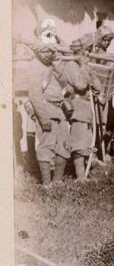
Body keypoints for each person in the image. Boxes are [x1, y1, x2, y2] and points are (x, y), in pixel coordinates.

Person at [25, 42, 69, 185]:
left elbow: (64, 82)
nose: (47, 55)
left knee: (63, 144)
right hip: (45, 110)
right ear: (37, 52)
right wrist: (43, 119)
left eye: (50, 51)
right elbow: (35, 95)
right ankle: (46, 183)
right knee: (46, 145)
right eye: (43, 52)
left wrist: (57, 66)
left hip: (59, 110)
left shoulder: (54, 65)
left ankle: (58, 181)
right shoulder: (34, 67)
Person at [57, 35, 97, 180]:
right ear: (83, 50)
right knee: (79, 142)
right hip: (78, 108)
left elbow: (95, 85)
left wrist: (87, 67)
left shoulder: (81, 65)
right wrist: (85, 67)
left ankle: (85, 173)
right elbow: (80, 84)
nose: (90, 52)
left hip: (86, 108)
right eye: (89, 49)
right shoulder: (72, 65)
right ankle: (80, 176)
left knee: (86, 140)